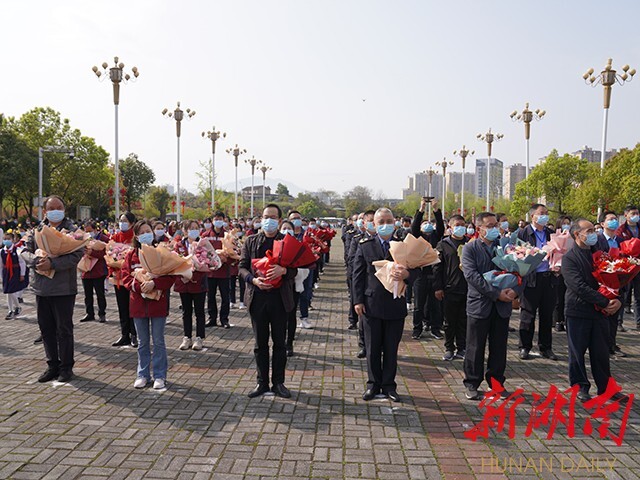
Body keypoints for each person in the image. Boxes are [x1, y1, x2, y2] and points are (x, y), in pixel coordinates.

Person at [353, 207, 415, 402]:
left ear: (395, 222)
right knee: (372, 349)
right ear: (374, 224)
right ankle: (373, 385)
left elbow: (419, 271)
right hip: (371, 304)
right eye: (381, 222)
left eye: (389, 221)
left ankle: (389, 385)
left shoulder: (403, 245)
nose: (386, 225)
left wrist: (407, 275)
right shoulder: (365, 245)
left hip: (395, 304)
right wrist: (357, 300)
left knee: (390, 349)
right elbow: (357, 275)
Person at [21, 195, 84, 383]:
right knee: (46, 328)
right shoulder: (36, 230)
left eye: (59, 207)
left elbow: (76, 254)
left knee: (63, 329)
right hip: (41, 288)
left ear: (64, 209)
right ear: (45, 211)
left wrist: (53, 263)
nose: (55, 210)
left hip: (64, 288)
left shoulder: (73, 232)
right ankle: (52, 365)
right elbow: (24, 251)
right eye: (51, 208)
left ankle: (66, 367)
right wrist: (36, 261)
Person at [461, 212, 521, 400]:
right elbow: (472, 276)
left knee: (499, 347)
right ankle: (472, 382)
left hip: (502, 307)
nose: (495, 229)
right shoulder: (470, 249)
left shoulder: (505, 247)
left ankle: (496, 383)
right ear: (479, 229)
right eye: (490, 226)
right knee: (475, 346)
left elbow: (520, 270)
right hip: (480, 305)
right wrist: (496, 294)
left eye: (496, 225)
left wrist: (515, 291)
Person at [239, 204, 297, 399]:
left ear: (280, 221)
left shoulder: (287, 241)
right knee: (260, 344)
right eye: (265, 216)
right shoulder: (251, 241)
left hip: (280, 300)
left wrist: (284, 271)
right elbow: (242, 268)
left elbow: (296, 269)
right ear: (260, 218)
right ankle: (262, 382)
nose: (269, 220)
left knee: (279, 343)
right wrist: (253, 280)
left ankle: (278, 382)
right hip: (258, 298)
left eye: (273, 217)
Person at [562, 219, 623, 402]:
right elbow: (578, 286)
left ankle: (606, 388)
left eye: (593, 230)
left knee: (601, 352)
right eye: (588, 231)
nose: (593, 234)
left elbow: (615, 278)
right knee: (577, 352)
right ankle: (580, 386)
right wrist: (605, 301)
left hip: (600, 313)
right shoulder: (569, 258)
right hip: (578, 311)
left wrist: (616, 300)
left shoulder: (599, 254)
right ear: (577, 235)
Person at [122, 220, 175, 390]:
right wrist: (140, 286)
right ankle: (142, 374)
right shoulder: (131, 255)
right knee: (143, 342)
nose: (146, 234)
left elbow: (171, 276)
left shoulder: (161, 252)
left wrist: (155, 284)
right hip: (138, 305)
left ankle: (159, 375)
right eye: (142, 232)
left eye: (148, 231)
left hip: (158, 305)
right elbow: (125, 277)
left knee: (158, 341)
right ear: (136, 236)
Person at [517, 204, 557, 361]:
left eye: (546, 214)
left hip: (549, 278)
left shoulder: (551, 233)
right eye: (541, 214)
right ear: (532, 216)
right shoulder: (523, 233)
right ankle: (524, 347)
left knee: (547, 315)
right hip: (531, 278)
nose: (545, 216)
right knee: (528, 314)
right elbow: (515, 252)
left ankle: (546, 347)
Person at [433, 215, 469, 361]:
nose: (460, 227)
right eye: (457, 224)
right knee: (449, 321)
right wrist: (438, 287)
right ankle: (449, 348)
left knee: (463, 320)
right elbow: (437, 268)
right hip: (449, 288)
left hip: (467, 288)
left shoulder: (470, 243)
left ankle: (462, 347)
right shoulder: (443, 244)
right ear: (450, 227)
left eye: (463, 224)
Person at [410, 198, 445, 340]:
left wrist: (436, 209)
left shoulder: (436, 236)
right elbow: (414, 227)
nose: (427, 225)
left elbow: (441, 226)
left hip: (435, 275)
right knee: (419, 305)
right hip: (420, 275)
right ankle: (417, 328)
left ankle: (435, 328)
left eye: (429, 223)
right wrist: (421, 209)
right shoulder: (418, 237)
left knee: (435, 304)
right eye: (425, 223)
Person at [594, 211, 627, 358]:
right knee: (602, 317)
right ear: (602, 224)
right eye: (611, 219)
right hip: (601, 284)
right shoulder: (597, 240)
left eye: (615, 219)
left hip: (618, 284)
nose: (614, 221)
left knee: (615, 315)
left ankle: (611, 345)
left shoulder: (621, 241)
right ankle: (601, 346)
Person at [174, 220, 208, 351]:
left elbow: (206, 261)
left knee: (199, 311)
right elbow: (175, 262)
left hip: (198, 283)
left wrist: (193, 275)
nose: (193, 230)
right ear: (184, 230)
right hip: (184, 283)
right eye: (190, 228)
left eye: (196, 228)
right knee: (186, 311)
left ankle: (199, 337)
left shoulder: (203, 244)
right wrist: (183, 276)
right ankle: (187, 337)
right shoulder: (179, 245)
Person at [347, 211, 375, 358]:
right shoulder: (358, 239)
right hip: (362, 282)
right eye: (369, 221)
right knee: (363, 319)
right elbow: (351, 260)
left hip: (378, 285)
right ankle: (363, 345)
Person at [110, 212, 138, 347]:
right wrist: (112, 265)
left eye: (125, 220)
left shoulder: (135, 237)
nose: (122, 223)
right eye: (121, 220)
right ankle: (124, 335)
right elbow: (109, 255)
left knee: (132, 306)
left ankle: (134, 334)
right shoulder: (115, 237)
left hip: (132, 277)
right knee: (122, 307)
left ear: (132, 223)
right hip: (118, 278)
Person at [202, 212, 232, 329]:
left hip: (224, 271)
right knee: (211, 296)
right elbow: (201, 252)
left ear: (224, 220)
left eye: (220, 219)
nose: (218, 221)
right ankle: (212, 318)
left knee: (225, 297)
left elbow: (233, 253)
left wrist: (226, 259)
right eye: (216, 219)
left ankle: (224, 319)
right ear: (212, 220)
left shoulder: (227, 235)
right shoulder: (205, 235)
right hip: (210, 272)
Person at [79, 221, 110, 323]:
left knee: (100, 294)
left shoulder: (104, 239)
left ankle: (102, 313)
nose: (88, 233)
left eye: (90, 231)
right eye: (86, 231)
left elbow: (107, 254)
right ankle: (89, 313)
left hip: (98, 271)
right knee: (87, 295)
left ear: (95, 229)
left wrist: (93, 253)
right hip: (86, 271)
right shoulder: (82, 239)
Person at [615, 205, 640, 329]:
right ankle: (619, 321)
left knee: (638, 295)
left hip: (639, 266)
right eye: (633, 213)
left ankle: (638, 322)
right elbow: (619, 246)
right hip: (627, 266)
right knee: (623, 294)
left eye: (637, 213)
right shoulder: (621, 230)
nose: (636, 216)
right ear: (626, 215)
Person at [1, 231, 27, 319]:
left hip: (15, 272)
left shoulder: (17, 250)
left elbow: (22, 263)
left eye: (8, 239)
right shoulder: (2, 251)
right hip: (6, 272)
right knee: (7, 292)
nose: (6, 241)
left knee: (11, 290)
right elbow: (1, 264)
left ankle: (16, 308)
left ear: (13, 240)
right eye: (5, 239)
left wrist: (22, 274)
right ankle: (11, 309)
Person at [553, 216, 572, 332]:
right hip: (558, 271)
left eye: (568, 223)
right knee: (558, 298)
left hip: (569, 270)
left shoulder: (572, 237)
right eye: (564, 223)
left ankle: (566, 320)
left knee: (567, 296)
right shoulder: (555, 237)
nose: (566, 225)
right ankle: (558, 320)